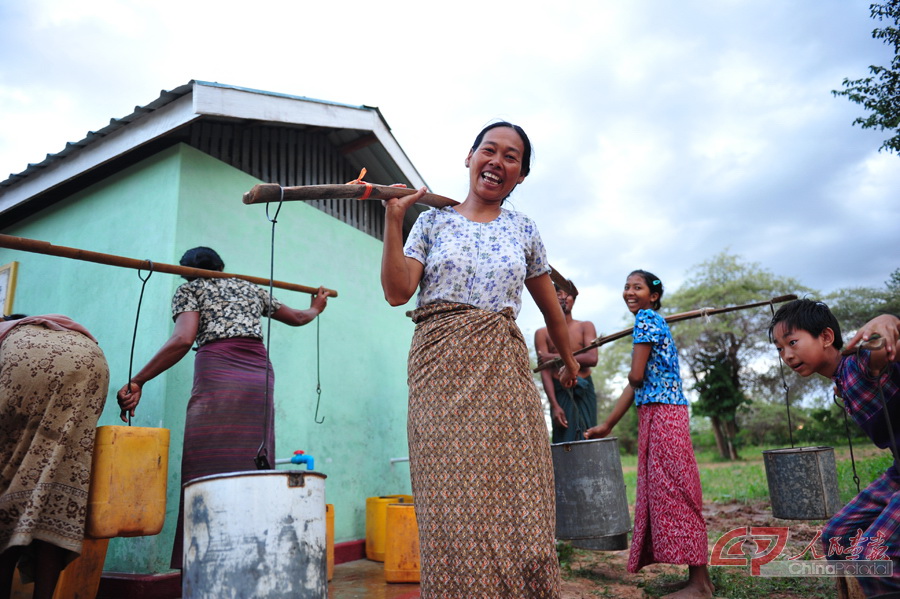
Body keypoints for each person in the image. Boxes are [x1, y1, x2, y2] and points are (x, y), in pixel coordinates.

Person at [380, 121, 580, 598]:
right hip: (439, 370)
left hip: (503, 371)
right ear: (469, 158)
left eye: (511, 157)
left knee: (517, 492)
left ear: (521, 176)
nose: (497, 161)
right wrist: (393, 220)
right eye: (488, 150)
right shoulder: (431, 222)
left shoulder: (523, 230)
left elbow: (552, 311)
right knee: (450, 499)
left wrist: (569, 362)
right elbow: (396, 292)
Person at [116, 247, 328, 569]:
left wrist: (139, 379)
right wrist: (317, 306)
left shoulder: (189, 289)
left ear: (185, 270)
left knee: (207, 462)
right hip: (258, 375)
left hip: (219, 371)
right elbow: (299, 317)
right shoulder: (249, 287)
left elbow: (183, 339)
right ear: (221, 266)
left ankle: (208, 557)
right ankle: (253, 553)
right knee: (252, 459)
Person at [585, 271, 713, 599]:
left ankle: (700, 586)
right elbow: (638, 382)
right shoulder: (654, 319)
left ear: (653, 296)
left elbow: (635, 375)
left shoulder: (645, 319)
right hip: (661, 414)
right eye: (626, 286)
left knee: (678, 492)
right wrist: (608, 425)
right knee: (676, 489)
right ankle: (700, 580)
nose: (629, 292)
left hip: (663, 414)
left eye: (637, 287)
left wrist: (630, 371)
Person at [769, 299, 900, 596]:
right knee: (837, 537)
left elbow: (880, 348)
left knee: (871, 558)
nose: (787, 356)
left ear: (826, 337)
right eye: (779, 349)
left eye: (792, 342)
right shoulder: (842, 378)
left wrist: (886, 320)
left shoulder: (861, 364)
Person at [0, 314, 110, 599]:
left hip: (27, 360)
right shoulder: (56, 326)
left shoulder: (10, 334)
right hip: (91, 360)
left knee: (9, 481)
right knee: (54, 488)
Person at [535, 278, 599, 442]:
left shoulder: (586, 326)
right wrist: (554, 405)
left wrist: (553, 357)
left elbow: (592, 358)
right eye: (558, 293)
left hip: (584, 385)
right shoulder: (542, 333)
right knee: (564, 439)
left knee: (588, 432)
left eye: (568, 294)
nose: (563, 297)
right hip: (559, 390)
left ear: (574, 299)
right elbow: (545, 371)